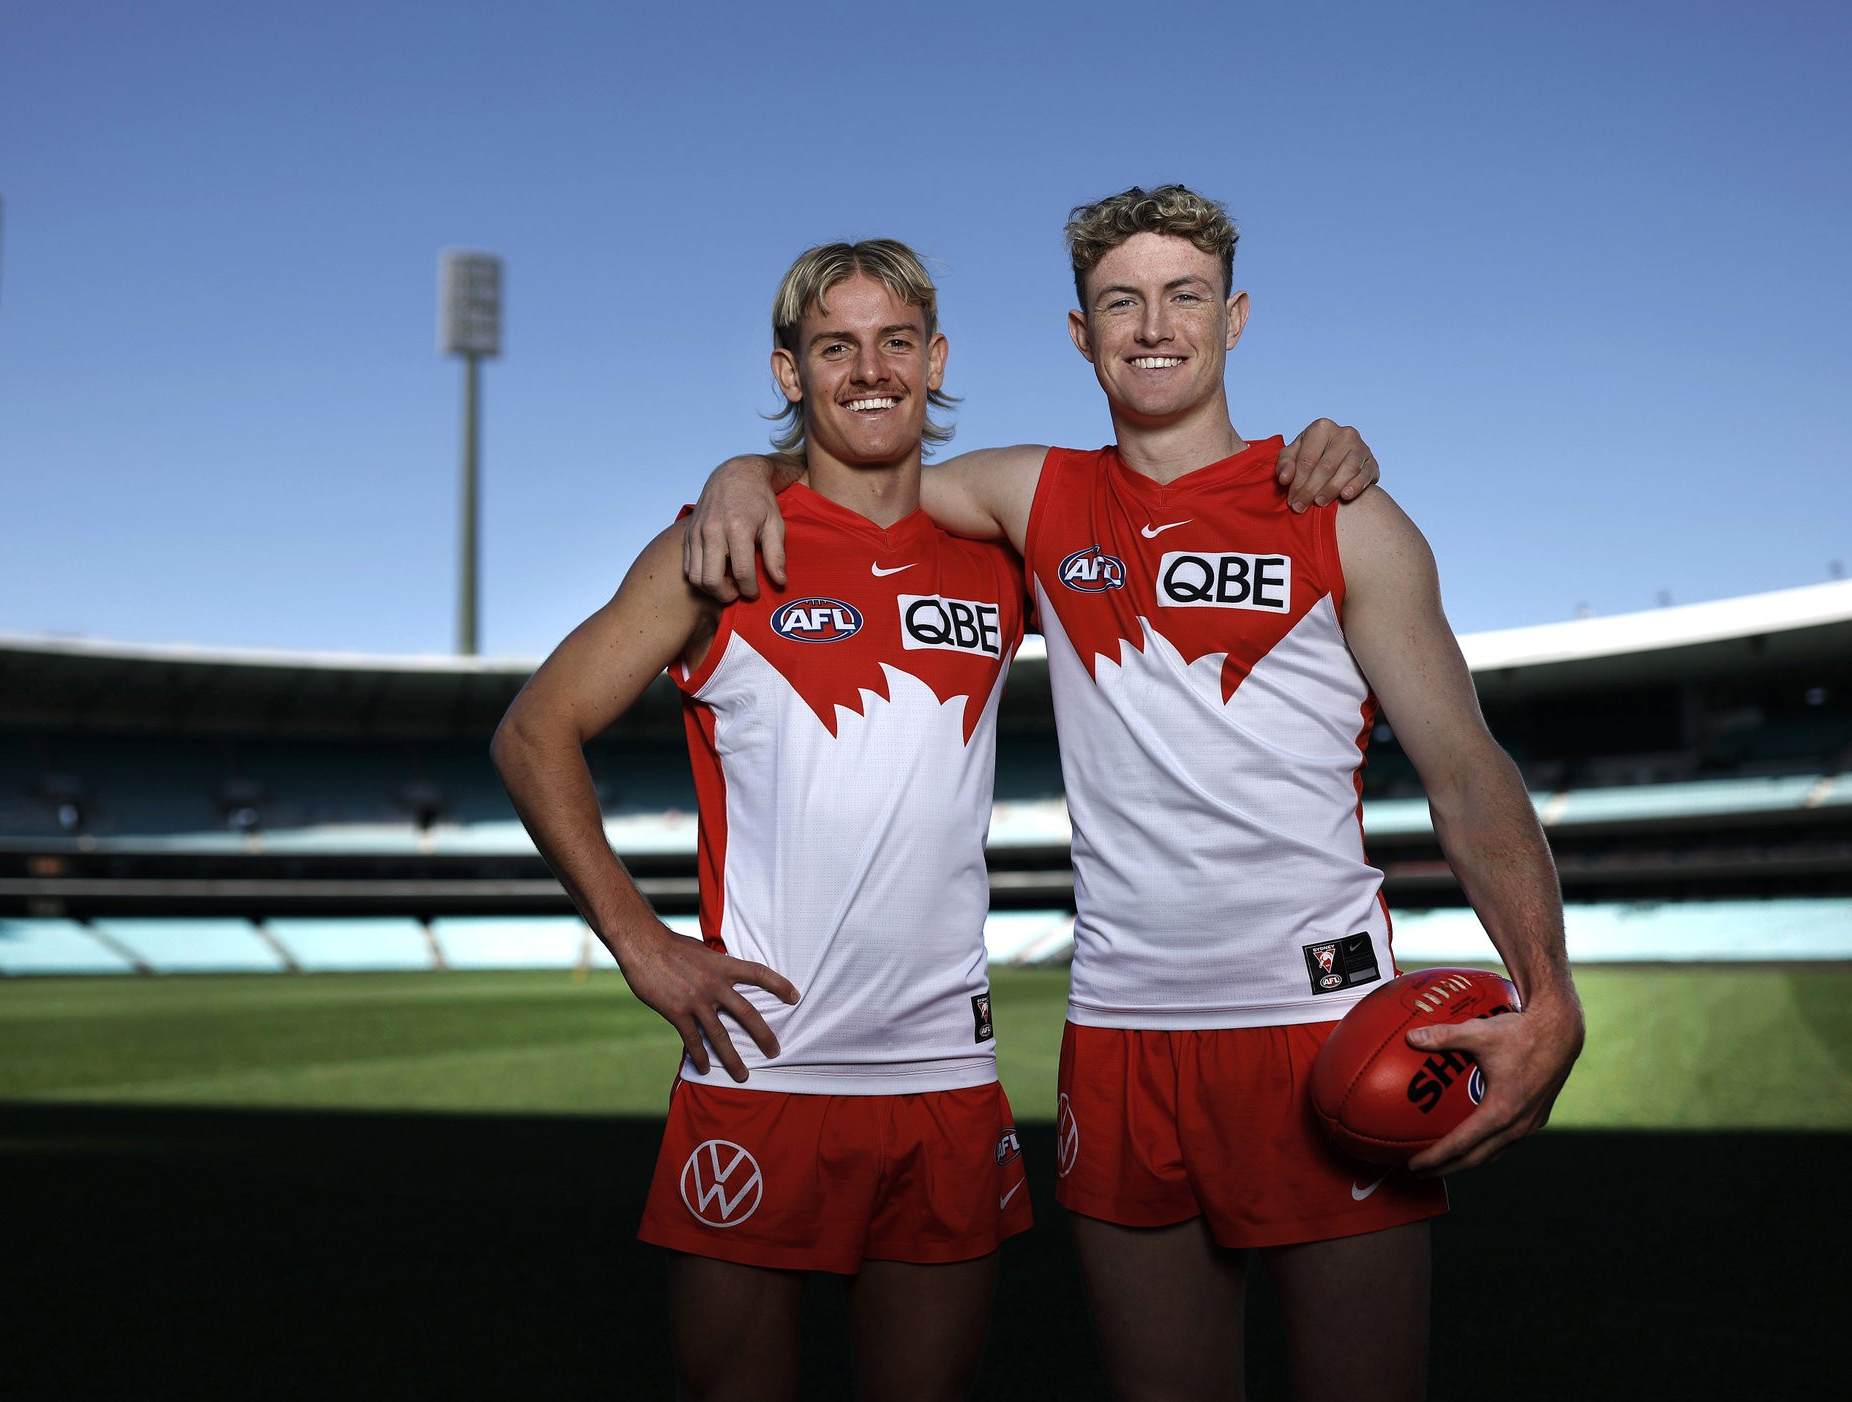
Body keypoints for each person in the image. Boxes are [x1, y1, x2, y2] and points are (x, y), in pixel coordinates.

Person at [683, 184, 1585, 1402]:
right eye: (1119, 300)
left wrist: (1548, 983)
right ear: (1079, 332)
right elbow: (861, 463)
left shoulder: (1341, 513)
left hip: (1325, 1027)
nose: (1152, 325)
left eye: (1182, 296)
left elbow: (1468, 769)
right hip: (1122, 1037)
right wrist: (743, 466)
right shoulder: (1035, 497)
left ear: (1234, 316)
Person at [493, 239, 1037, 1402]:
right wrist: (643, 946)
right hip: (761, 1070)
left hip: (943, 1069)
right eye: (835, 346)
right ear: (790, 373)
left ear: (935, 360)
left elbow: (1153, 521)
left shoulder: (1002, 556)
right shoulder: (719, 547)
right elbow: (532, 731)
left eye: (896, 342)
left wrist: (1309, 457)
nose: (870, 369)